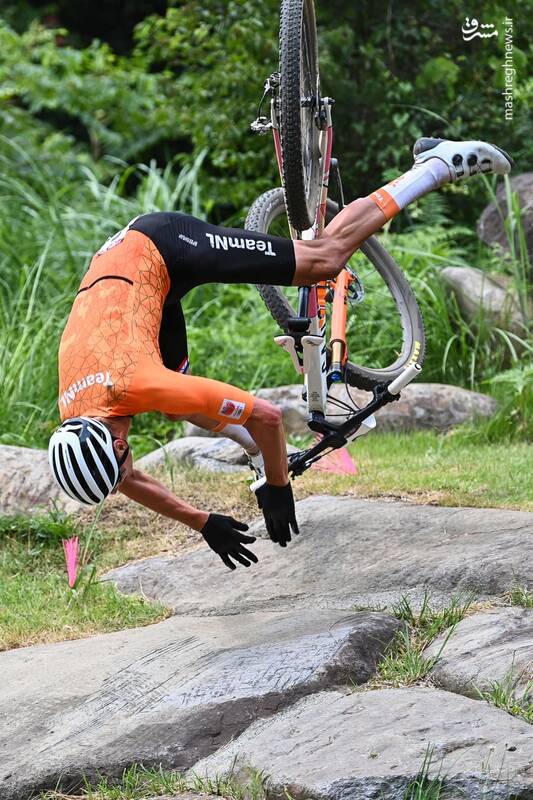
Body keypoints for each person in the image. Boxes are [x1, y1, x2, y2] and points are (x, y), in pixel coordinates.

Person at [49, 137, 512, 569]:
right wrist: (202, 522)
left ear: (118, 445)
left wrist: (277, 485)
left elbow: (267, 417)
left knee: (324, 260)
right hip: (133, 287)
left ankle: (436, 165)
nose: (126, 480)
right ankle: (258, 454)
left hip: (165, 247)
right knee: (178, 409)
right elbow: (126, 477)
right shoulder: (78, 416)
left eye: (120, 471)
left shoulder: (136, 385)